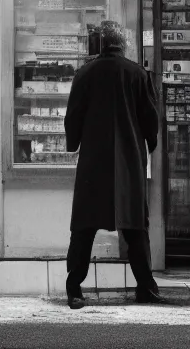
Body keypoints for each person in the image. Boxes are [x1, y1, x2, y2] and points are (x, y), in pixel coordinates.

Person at [64, 21, 162, 309]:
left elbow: (73, 117)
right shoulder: (137, 73)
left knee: (84, 226)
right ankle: (146, 286)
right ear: (123, 44)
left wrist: (74, 145)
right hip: (128, 160)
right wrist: (150, 145)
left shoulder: (84, 73)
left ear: (99, 44)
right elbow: (150, 118)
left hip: (94, 160)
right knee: (134, 226)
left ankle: (75, 288)